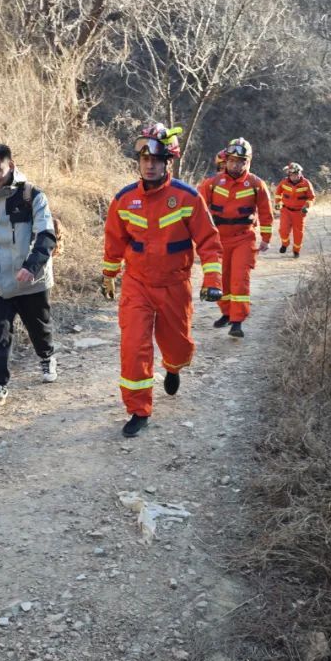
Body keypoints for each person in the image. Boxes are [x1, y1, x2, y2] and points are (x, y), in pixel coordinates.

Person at [102, 123, 224, 437]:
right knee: (134, 346)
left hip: (174, 285)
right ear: (139, 162)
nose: (150, 165)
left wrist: (212, 279)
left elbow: (209, 242)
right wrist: (109, 275)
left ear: (168, 162)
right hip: (137, 284)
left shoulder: (187, 197)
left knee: (178, 345)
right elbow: (114, 241)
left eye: (156, 159)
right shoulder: (124, 200)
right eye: (144, 159)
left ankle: (173, 366)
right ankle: (138, 409)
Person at [0, 143, 58, 407]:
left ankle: (47, 356)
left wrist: (30, 267)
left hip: (33, 280)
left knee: (38, 327)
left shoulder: (32, 196)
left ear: (11, 165)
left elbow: (46, 235)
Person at [197, 137, 274, 337]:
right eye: (232, 160)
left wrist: (266, 237)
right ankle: (227, 313)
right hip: (219, 239)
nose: (235, 165)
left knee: (240, 279)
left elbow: (266, 212)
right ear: (226, 160)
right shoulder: (212, 183)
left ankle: (237, 321)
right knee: (221, 280)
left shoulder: (256, 184)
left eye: (240, 161)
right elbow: (197, 209)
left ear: (247, 162)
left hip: (244, 238)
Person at [275, 161, 316, 258]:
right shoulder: (284, 182)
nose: (295, 176)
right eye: (293, 175)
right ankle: (285, 244)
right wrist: (278, 203)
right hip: (286, 211)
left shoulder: (306, 184)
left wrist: (306, 206)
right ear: (289, 174)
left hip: (299, 213)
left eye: (297, 174)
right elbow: (278, 193)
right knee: (283, 230)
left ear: (300, 173)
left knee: (298, 233)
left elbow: (311, 197)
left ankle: (296, 251)